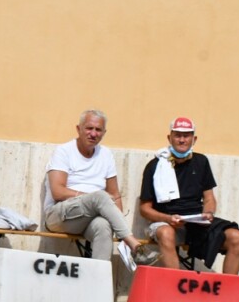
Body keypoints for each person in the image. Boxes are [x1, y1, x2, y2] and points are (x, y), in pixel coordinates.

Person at [44, 109, 158, 270]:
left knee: (104, 226)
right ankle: (134, 245)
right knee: (100, 196)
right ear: (78, 129)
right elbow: (57, 191)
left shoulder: (105, 154)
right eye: (89, 128)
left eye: (98, 130)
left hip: (89, 218)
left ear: (104, 133)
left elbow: (115, 194)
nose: (93, 133)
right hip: (59, 215)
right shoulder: (64, 151)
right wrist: (91, 199)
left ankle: (97, 278)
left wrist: (117, 221)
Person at [139, 117, 239, 274]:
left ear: (194, 139)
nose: (182, 140)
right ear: (169, 138)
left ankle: (228, 289)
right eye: (177, 135)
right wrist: (168, 218)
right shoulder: (154, 166)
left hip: (196, 222)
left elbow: (209, 198)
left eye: (186, 136)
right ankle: (175, 285)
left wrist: (208, 213)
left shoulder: (201, 162)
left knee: (236, 237)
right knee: (165, 233)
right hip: (167, 221)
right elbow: (144, 209)